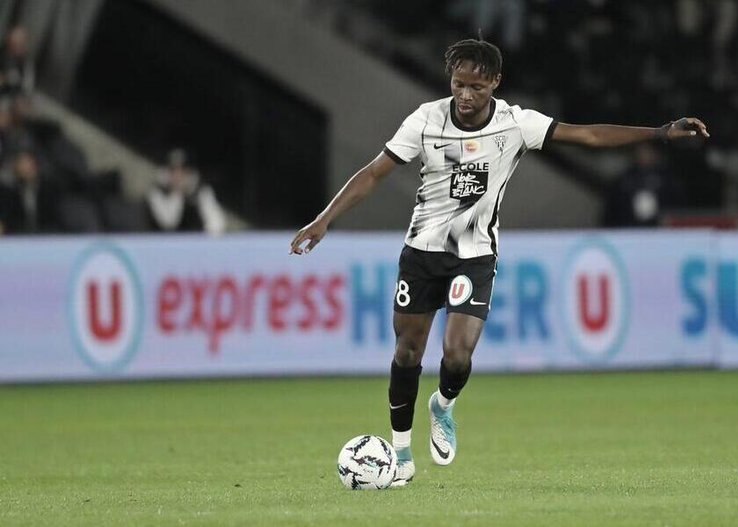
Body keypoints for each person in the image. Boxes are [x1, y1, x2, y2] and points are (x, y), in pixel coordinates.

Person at [289, 39, 708, 487]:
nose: (465, 96)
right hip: (422, 254)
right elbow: (374, 172)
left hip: (474, 256)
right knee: (408, 350)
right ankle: (401, 451)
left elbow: (586, 135)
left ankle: (443, 406)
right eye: (457, 84)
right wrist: (323, 220)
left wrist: (660, 132)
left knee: (457, 353)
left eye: (475, 86)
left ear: (494, 82)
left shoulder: (516, 124)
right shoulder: (426, 120)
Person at [144, 148, 226, 235]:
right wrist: (177, 194)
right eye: (173, 170)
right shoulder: (157, 192)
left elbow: (216, 223)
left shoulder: (201, 191)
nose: (178, 175)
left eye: (182, 170)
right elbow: (168, 222)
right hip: (160, 243)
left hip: (194, 243)